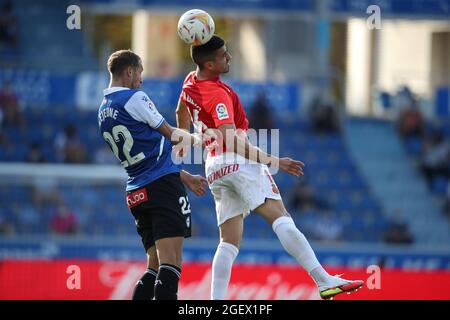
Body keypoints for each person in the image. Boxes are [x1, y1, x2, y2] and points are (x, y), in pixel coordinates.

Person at [176, 35, 363, 300]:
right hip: (235, 160)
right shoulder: (216, 94)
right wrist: (275, 161)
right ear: (208, 64)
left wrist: (185, 139)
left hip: (214, 166)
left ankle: (216, 301)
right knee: (281, 217)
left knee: (228, 242)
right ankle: (323, 280)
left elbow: (181, 112)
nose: (228, 57)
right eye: (223, 55)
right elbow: (230, 139)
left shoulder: (189, 82)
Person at [98, 49, 207, 300]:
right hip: (161, 188)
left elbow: (147, 157)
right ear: (129, 71)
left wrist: (183, 175)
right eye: (140, 72)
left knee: (154, 265)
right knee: (172, 263)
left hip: (137, 191)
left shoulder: (103, 111)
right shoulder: (134, 99)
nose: (141, 79)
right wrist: (205, 139)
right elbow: (172, 134)